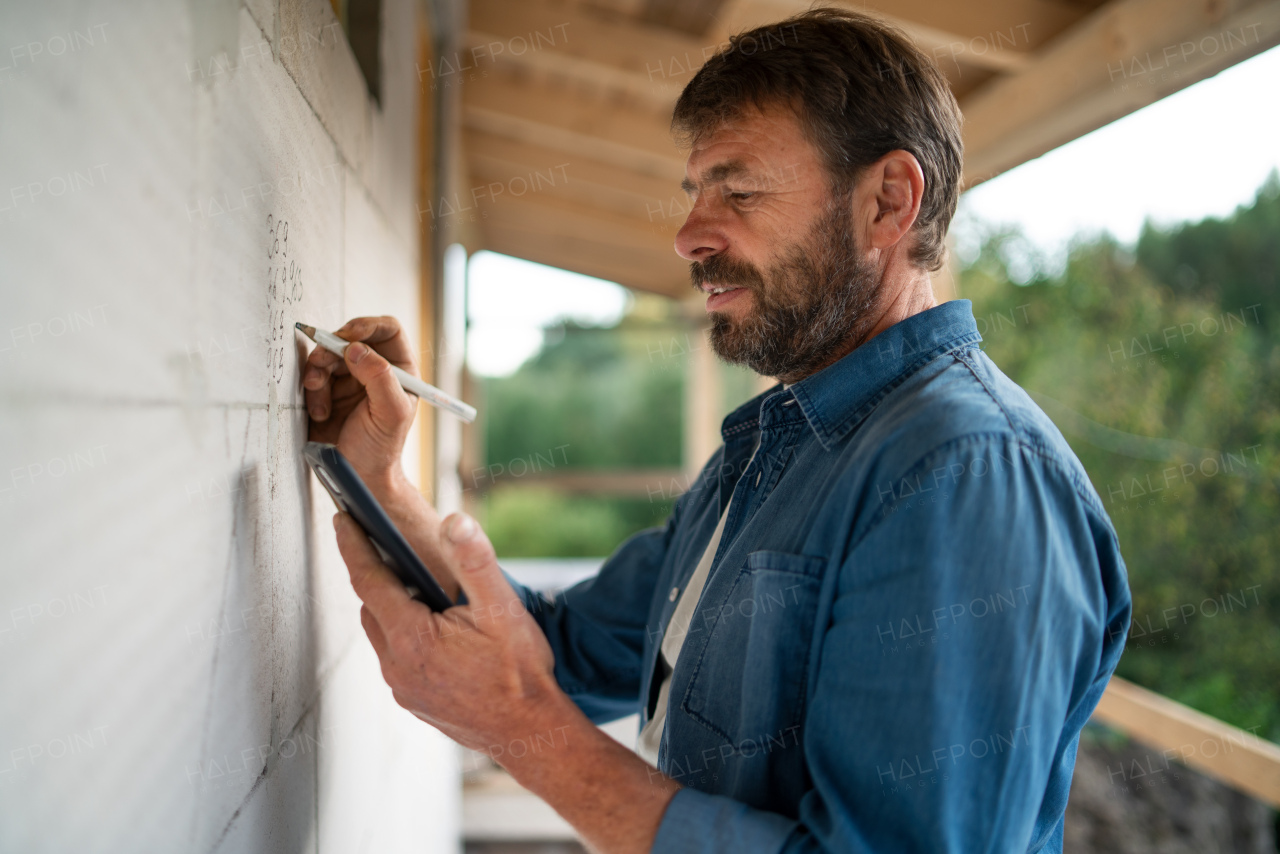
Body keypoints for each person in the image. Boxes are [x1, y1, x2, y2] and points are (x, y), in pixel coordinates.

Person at [303, 8, 1131, 852]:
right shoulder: (773, 448)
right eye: (696, 192)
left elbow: (531, 697)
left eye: (738, 191)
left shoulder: (966, 473)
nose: (688, 236)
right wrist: (379, 480)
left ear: (888, 202)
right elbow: (559, 653)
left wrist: (529, 733)